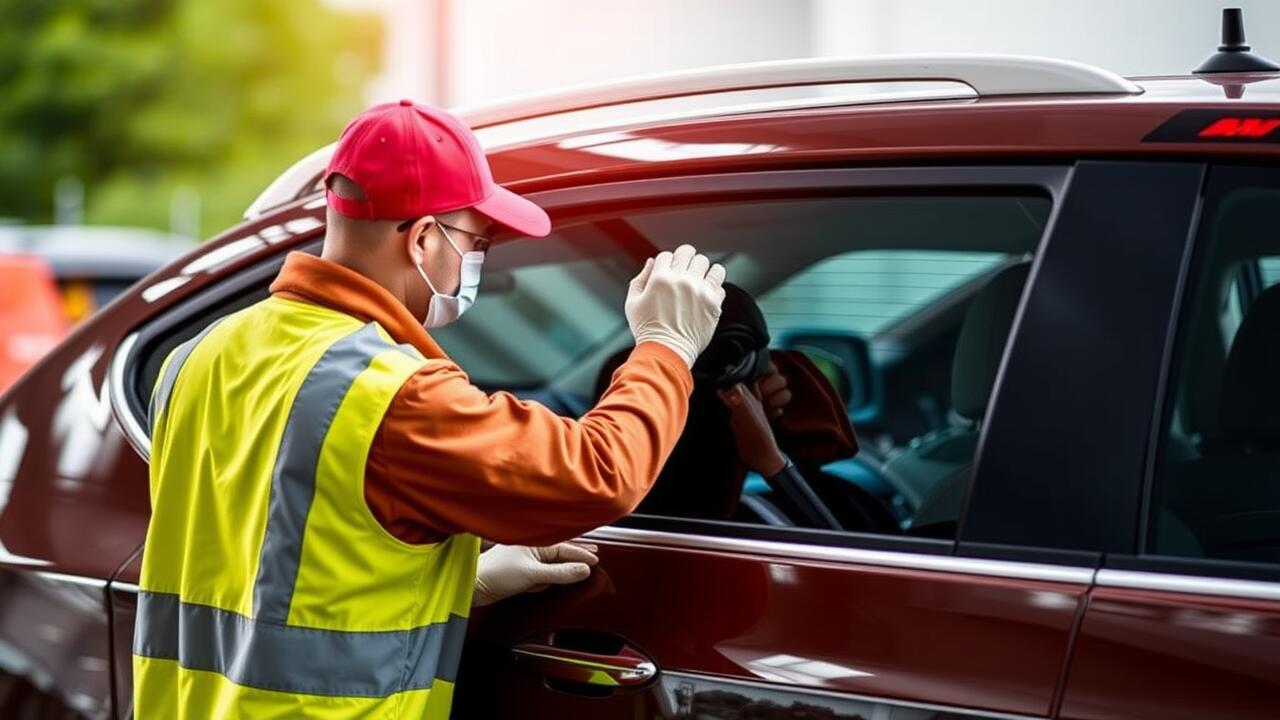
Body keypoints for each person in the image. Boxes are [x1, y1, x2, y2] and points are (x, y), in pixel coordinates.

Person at [132, 99, 726, 719]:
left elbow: (260, 561)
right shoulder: (390, 392)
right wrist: (667, 346)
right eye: (478, 240)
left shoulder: (196, 357)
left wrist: (458, 581)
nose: (480, 262)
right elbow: (598, 473)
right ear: (421, 239)